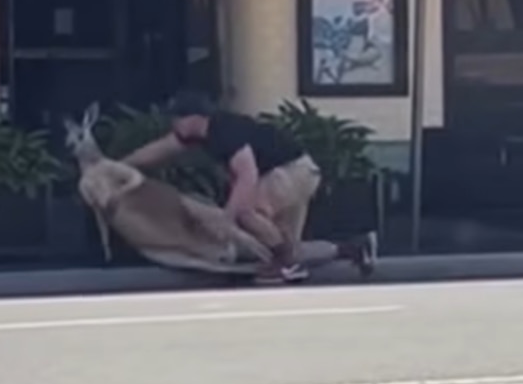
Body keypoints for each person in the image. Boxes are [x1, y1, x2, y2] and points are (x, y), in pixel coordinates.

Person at [121, 92, 377, 286]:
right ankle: (354, 248)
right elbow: (159, 149)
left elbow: (247, 174)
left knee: (247, 212)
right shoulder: (199, 133)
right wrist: (119, 166)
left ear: (195, 118)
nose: (173, 123)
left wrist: (227, 218)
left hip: (290, 171)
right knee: (283, 244)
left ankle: (287, 264)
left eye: (177, 118)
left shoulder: (224, 131)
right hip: (300, 171)